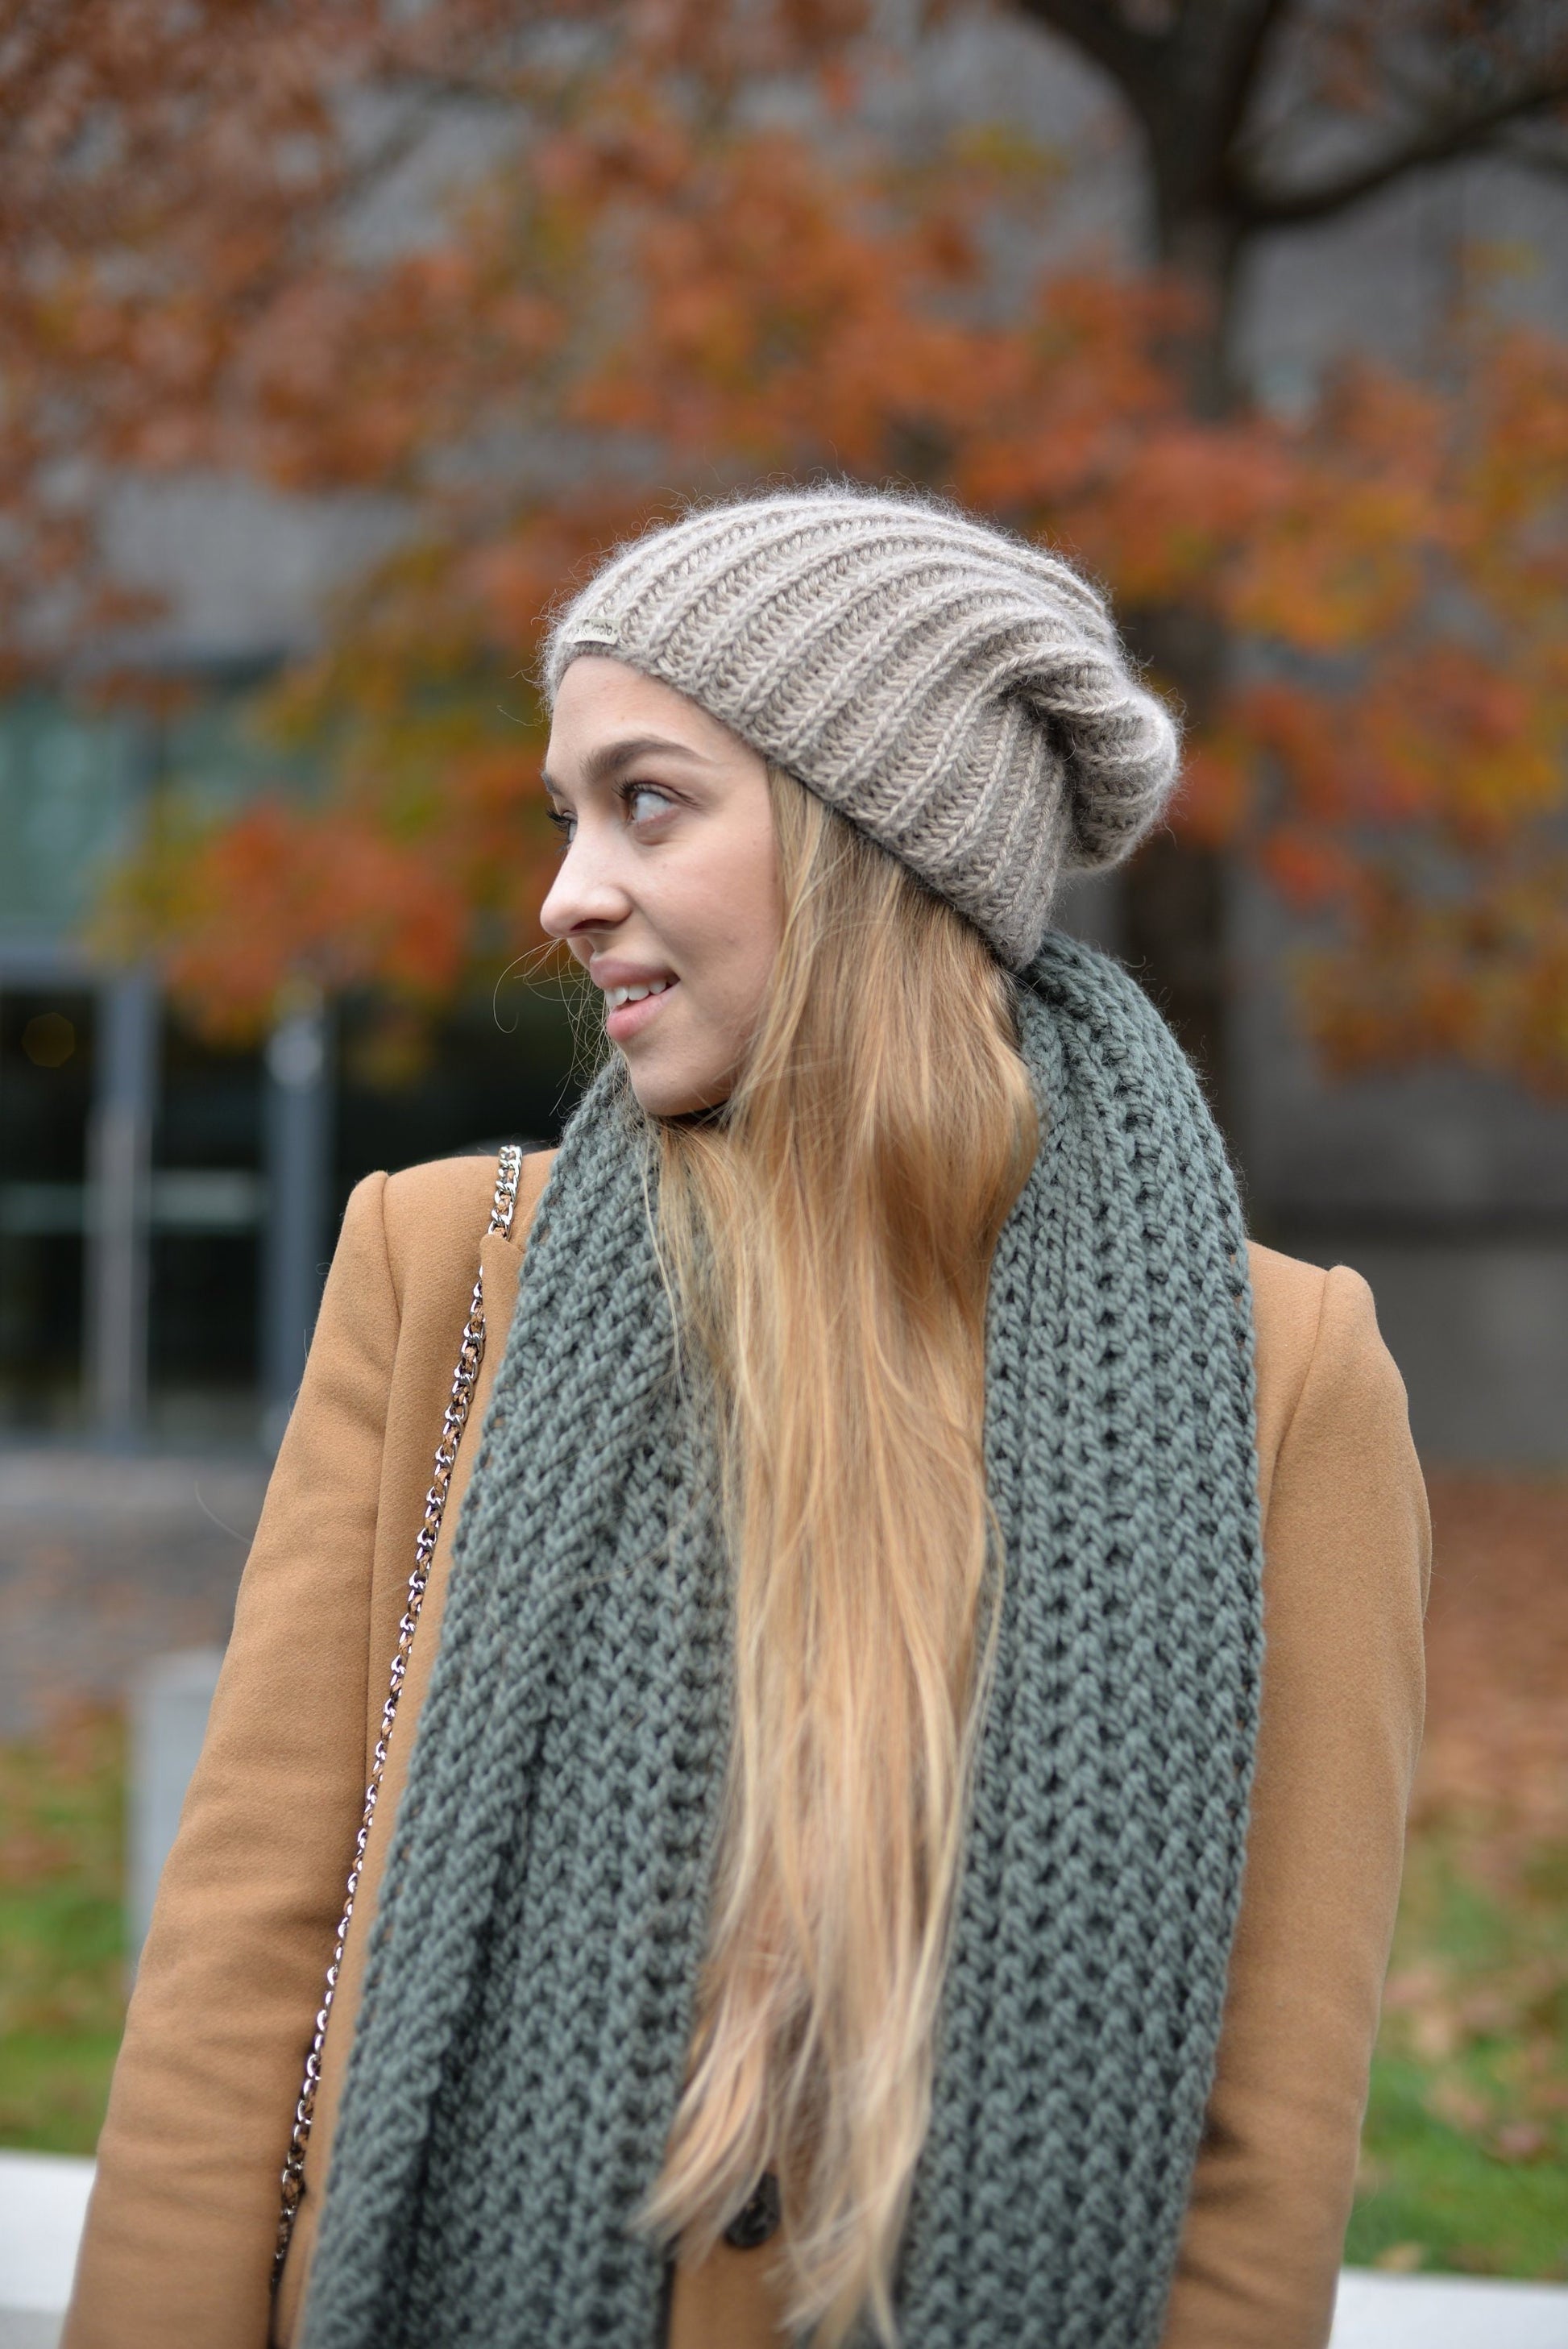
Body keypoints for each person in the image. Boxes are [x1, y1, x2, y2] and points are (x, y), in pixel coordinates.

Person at [63, 486, 1429, 2349]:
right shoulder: (447, 1271)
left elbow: (1260, 2148)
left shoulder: (1279, 1383)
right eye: (567, 815)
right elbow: (242, 1962)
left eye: (648, 799)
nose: (565, 895)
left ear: (870, 838)